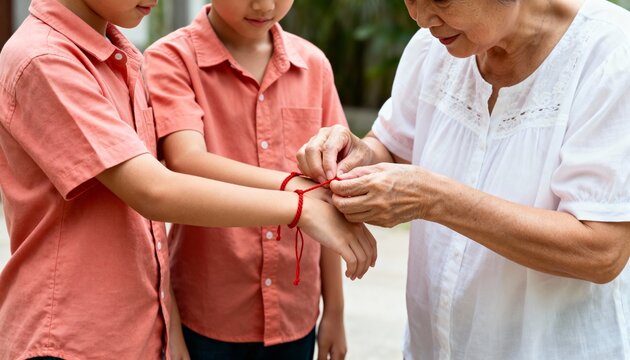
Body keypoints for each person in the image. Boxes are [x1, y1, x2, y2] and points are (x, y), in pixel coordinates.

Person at [0, 0, 376, 359]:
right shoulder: (46, 59)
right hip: (70, 335)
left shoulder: (117, 56)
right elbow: (154, 189)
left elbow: (149, 232)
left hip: (131, 330)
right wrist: (298, 203)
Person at [297, 0, 630, 358]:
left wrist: (434, 198)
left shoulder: (611, 55)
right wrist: (357, 155)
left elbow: (601, 251)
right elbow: (392, 147)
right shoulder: (434, 47)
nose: (421, 18)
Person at [142, 1, 356, 359]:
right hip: (207, 317)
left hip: (295, 316)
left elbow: (328, 196)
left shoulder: (314, 65)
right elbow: (186, 160)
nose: (264, 5)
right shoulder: (171, 58)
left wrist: (334, 309)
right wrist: (294, 191)